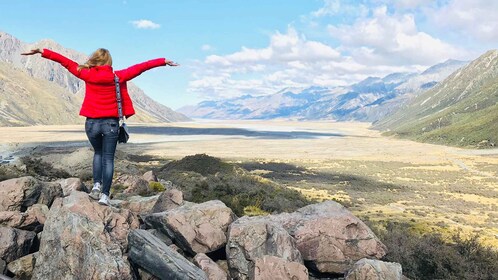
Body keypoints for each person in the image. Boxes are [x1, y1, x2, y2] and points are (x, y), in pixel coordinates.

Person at [22, 47, 178, 206]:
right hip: (110, 124)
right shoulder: (118, 76)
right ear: (109, 61)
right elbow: (140, 67)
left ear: (95, 60)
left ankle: (96, 186)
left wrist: (42, 51)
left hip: (91, 123)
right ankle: (104, 196)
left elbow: (65, 62)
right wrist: (162, 61)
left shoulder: (86, 74)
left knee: (98, 153)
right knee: (108, 159)